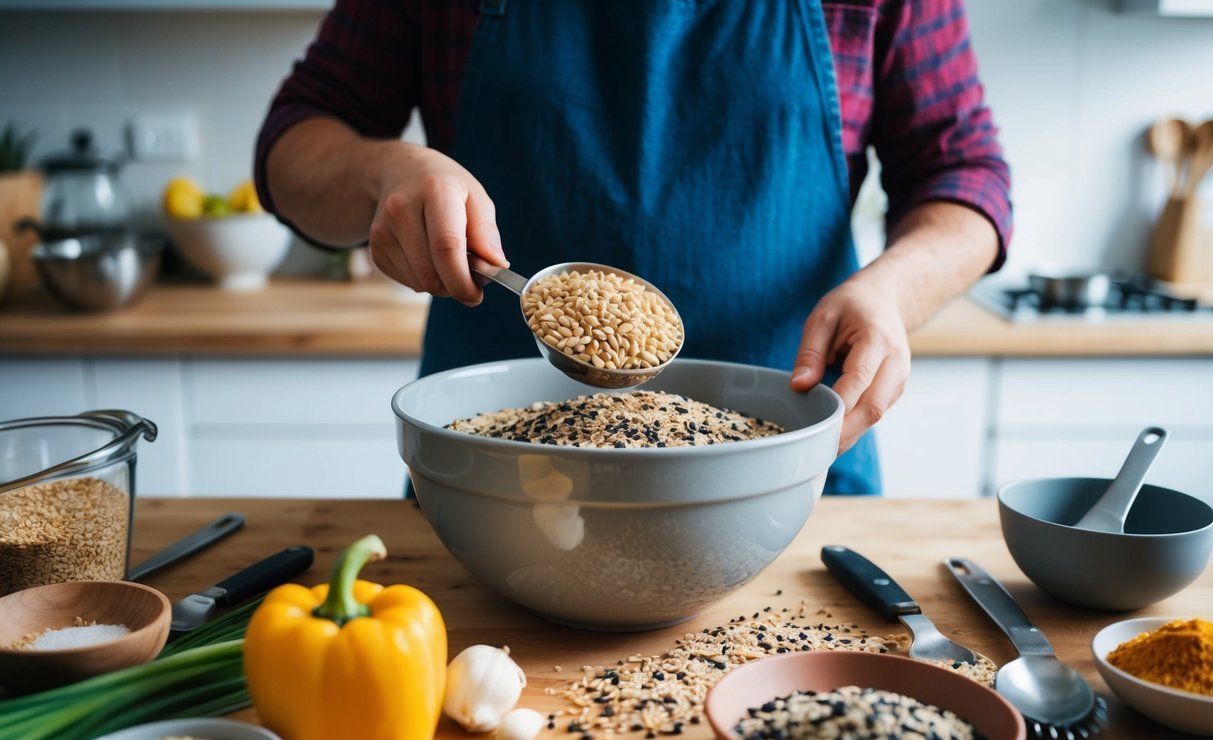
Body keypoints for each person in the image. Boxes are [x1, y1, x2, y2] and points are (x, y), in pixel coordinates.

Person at [254, 0, 1011, 495]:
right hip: (493, 481)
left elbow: (966, 174)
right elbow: (296, 139)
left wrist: (890, 291)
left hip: (786, 473)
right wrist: (383, 170)